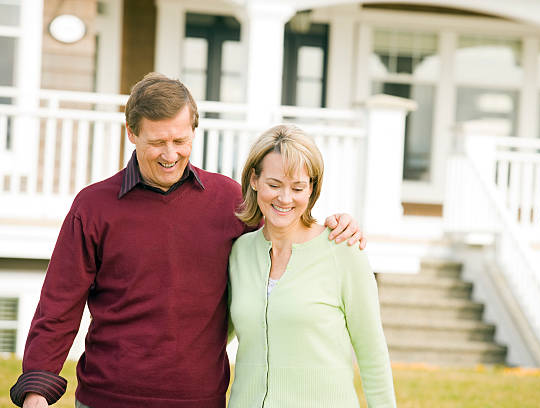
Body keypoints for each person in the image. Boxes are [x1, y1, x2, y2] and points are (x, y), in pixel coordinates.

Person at [9, 73, 365, 408]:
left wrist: (333, 227)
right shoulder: (93, 206)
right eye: (158, 142)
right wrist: (37, 387)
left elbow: (285, 235)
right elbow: (59, 302)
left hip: (199, 399)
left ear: (194, 131)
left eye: (180, 140)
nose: (170, 154)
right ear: (132, 134)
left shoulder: (229, 200)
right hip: (106, 397)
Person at [228, 124, 396, 407]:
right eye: (274, 184)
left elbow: (372, 355)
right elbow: (212, 339)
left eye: (297, 187)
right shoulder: (240, 252)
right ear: (254, 180)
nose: (285, 198)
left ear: (312, 189)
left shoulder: (342, 250)